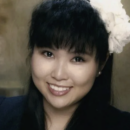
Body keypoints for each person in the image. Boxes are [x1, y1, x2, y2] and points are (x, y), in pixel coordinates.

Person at [0, 0, 130, 130]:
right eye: (48, 54)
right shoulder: (3, 112)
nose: (58, 74)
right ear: (32, 51)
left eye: (77, 59)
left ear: (101, 64)